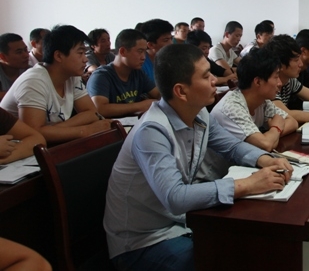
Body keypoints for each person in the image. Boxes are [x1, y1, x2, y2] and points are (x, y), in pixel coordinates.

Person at [104, 43, 292, 271]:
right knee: (227, 259)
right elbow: (175, 197)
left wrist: (265, 159)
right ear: (181, 91)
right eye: (206, 76)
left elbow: (232, 146)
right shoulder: (152, 131)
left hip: (183, 222)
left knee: (251, 245)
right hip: (142, 242)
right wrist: (248, 184)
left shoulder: (199, 113)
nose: (214, 80)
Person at [0, 25, 112, 144]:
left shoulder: (71, 76)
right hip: (12, 148)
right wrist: (85, 130)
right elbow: (34, 134)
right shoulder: (33, 82)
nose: (85, 59)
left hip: (49, 144)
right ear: (58, 56)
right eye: (80, 53)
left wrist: (57, 129)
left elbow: (92, 112)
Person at [212, 47, 298, 151]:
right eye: (276, 77)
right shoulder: (232, 107)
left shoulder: (262, 101)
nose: (280, 83)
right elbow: (266, 145)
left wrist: (270, 136)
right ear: (258, 82)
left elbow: (292, 122)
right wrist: (276, 128)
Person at [87, 29, 160, 118]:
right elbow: (100, 109)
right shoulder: (101, 76)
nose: (143, 57)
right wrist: (140, 106)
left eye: (145, 52)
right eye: (140, 51)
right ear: (122, 52)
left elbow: (157, 94)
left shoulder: (138, 73)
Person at [0, 33, 30, 100]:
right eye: (19, 52)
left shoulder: (30, 70)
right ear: (3, 57)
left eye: (25, 50)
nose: (26, 55)